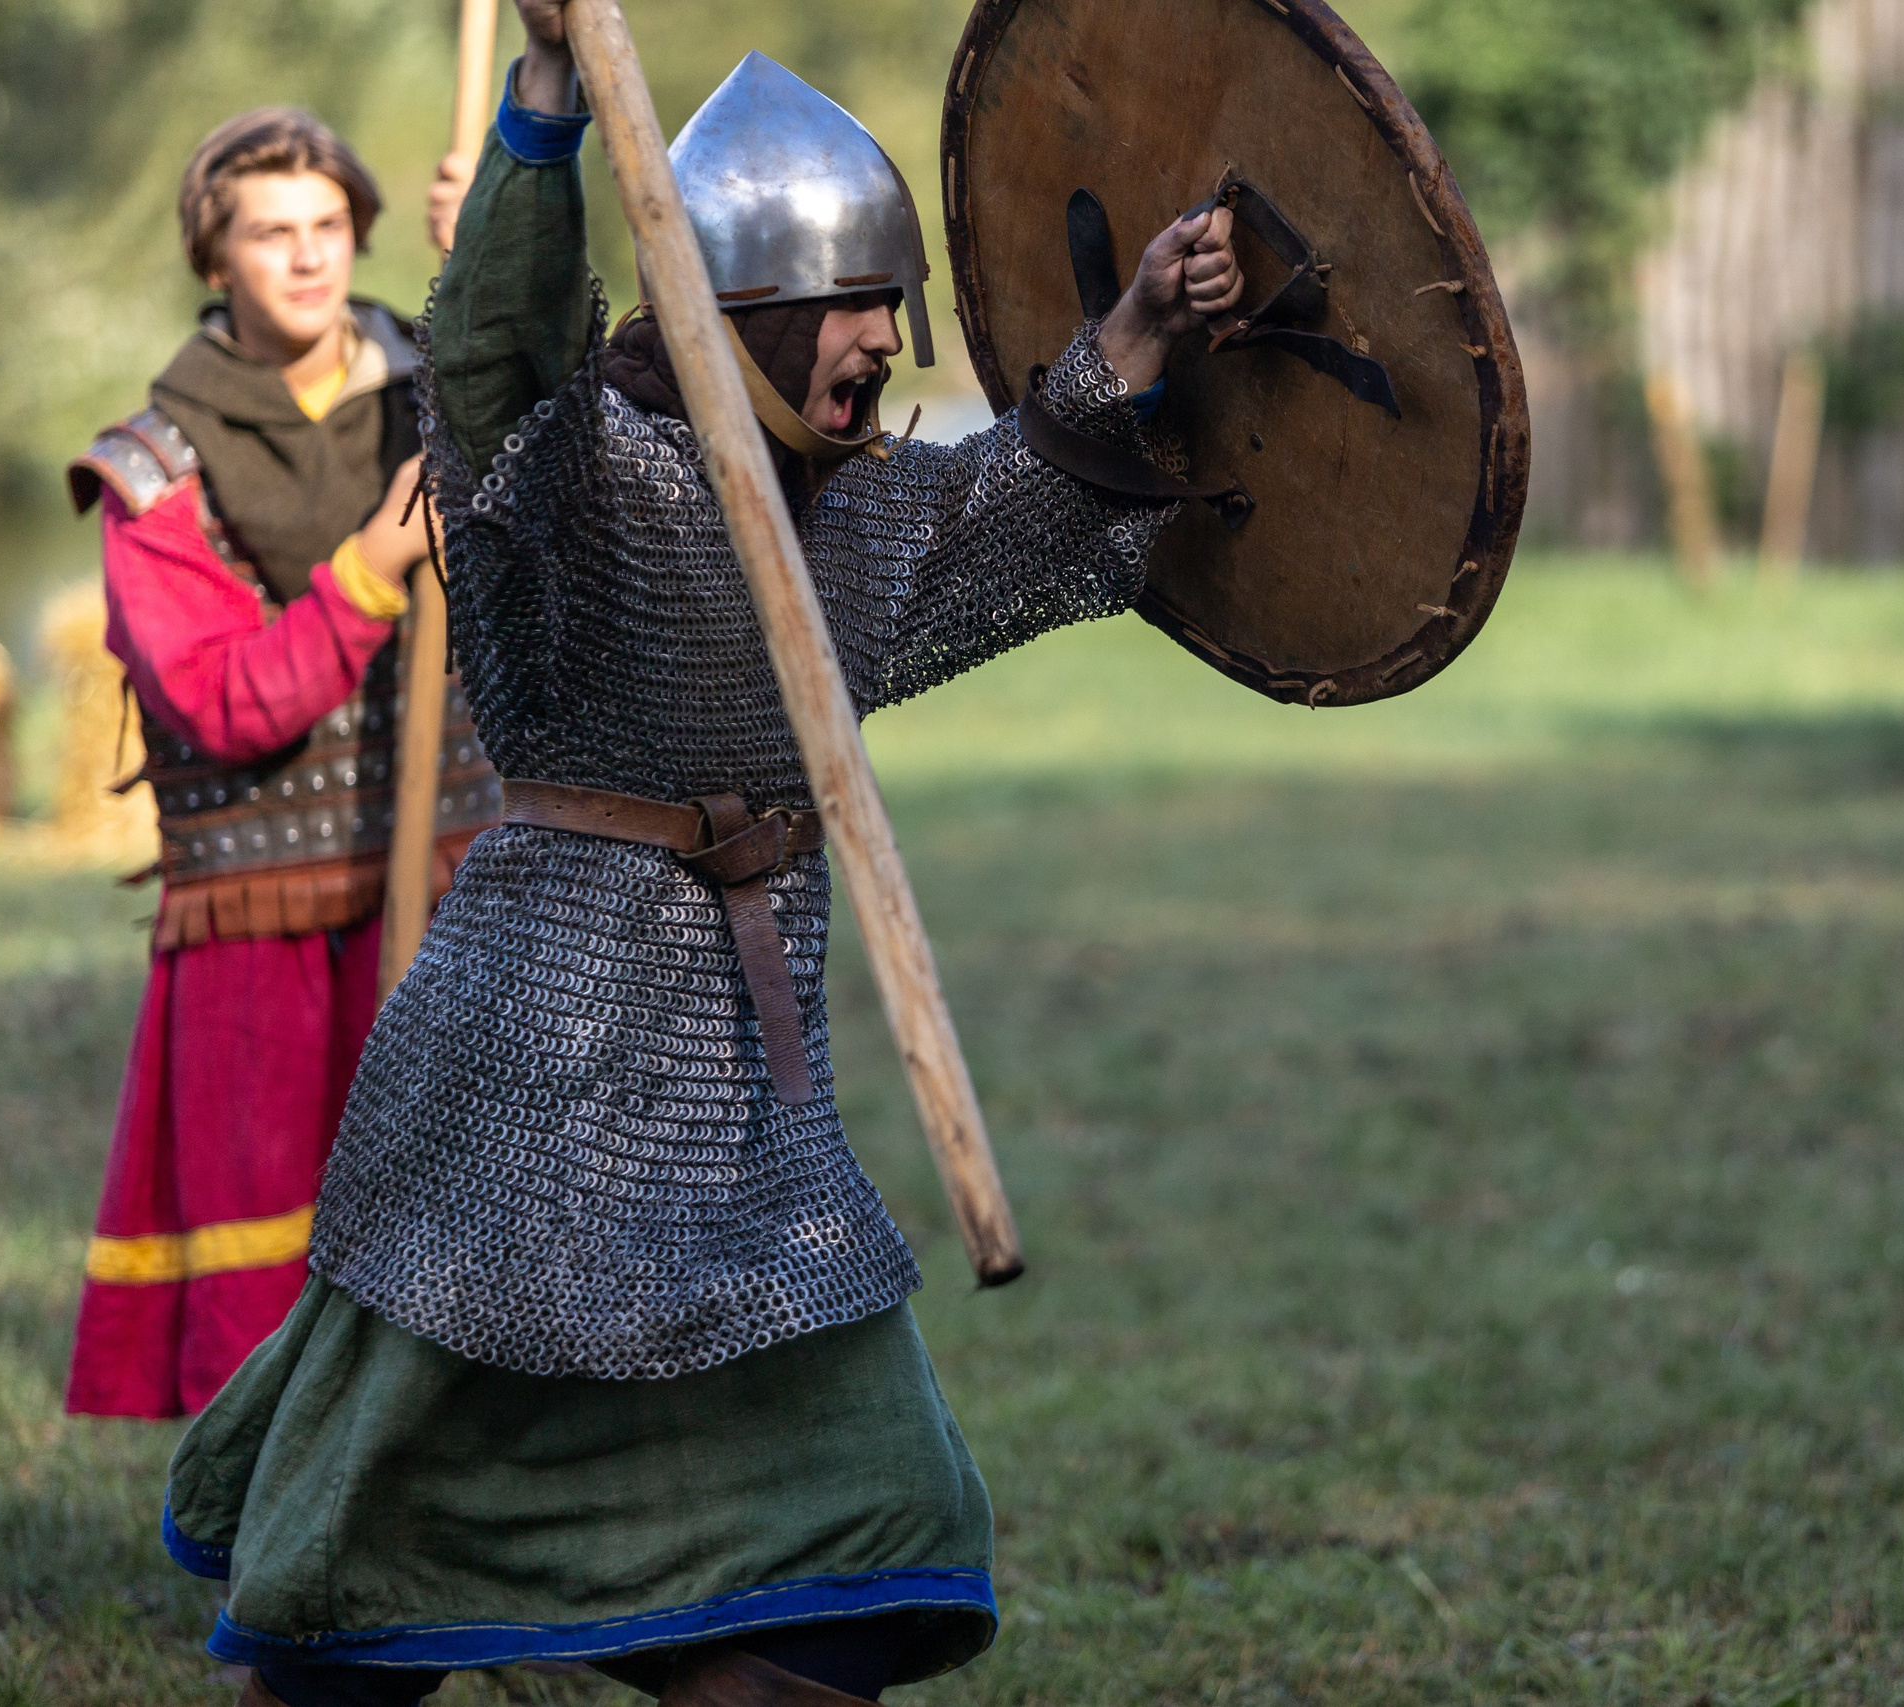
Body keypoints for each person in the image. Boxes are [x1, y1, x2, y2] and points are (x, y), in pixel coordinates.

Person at [157, 5, 1243, 1703]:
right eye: (849, 308)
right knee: (363, 1597)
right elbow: (497, 360)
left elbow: (1032, 493)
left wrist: (1142, 323)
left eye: (892, 304)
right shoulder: (576, 487)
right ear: (736, 316)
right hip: (522, 1087)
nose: (883, 341)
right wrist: (539, 111)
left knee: (851, 1549)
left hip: (739, 1121)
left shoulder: (866, 516)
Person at [62, 110, 502, 1420]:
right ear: (215, 259)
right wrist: (370, 568)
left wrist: (505, 247)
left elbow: (595, 439)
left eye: (328, 229)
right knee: (271, 1278)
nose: (307, 261)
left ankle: (468, 1545)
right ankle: (276, 1574)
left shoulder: (455, 378)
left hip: (461, 886)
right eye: (271, 234)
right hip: (266, 936)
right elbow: (216, 701)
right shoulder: (156, 474)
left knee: (478, 1236)